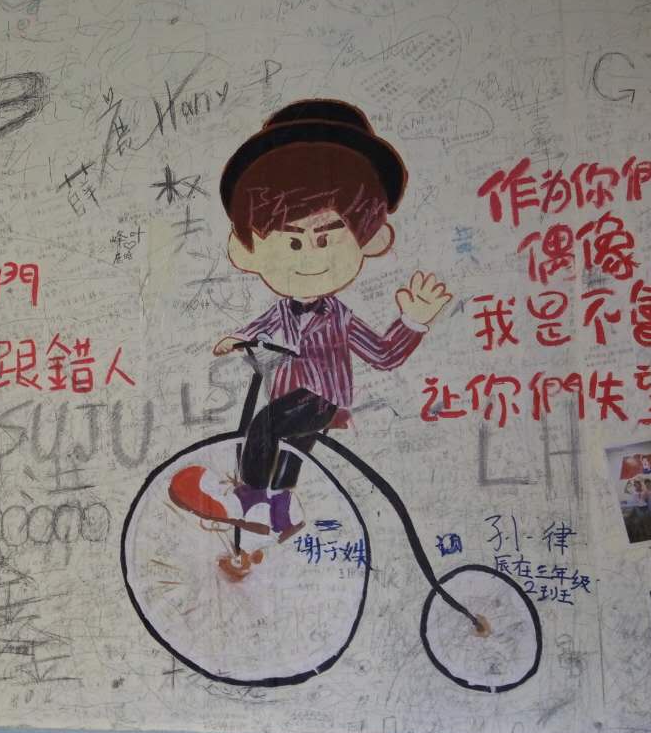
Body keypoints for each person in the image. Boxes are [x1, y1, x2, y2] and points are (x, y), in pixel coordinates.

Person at [168, 99, 452, 579]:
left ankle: (248, 499)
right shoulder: (282, 310)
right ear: (248, 249)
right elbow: (259, 328)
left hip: (322, 396)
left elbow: (382, 354)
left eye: (326, 239)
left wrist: (413, 322)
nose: (308, 259)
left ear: (369, 239)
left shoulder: (337, 315)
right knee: (290, 455)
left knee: (264, 428)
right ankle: (280, 511)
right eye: (291, 242)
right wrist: (236, 340)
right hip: (296, 396)